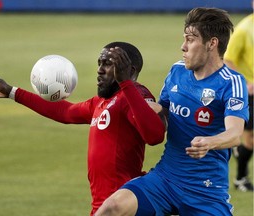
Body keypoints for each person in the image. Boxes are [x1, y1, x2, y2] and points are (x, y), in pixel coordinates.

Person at [0, 42, 166, 215]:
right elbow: (66, 112)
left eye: (108, 64)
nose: (99, 70)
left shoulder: (136, 94)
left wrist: (126, 83)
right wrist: (11, 92)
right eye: (99, 63)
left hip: (123, 204)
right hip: (103, 205)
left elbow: (155, 135)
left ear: (128, 70)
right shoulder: (101, 102)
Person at [95, 7, 249, 216]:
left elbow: (235, 134)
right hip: (165, 179)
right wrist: (133, 107)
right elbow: (164, 111)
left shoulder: (232, 82)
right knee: (112, 207)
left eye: (190, 39)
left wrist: (209, 142)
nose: (183, 47)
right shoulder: (177, 71)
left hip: (206, 190)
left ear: (212, 43)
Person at [224, 1, 254, 192]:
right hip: (251, 93)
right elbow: (228, 60)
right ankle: (241, 177)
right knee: (250, 140)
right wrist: (244, 84)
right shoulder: (244, 29)